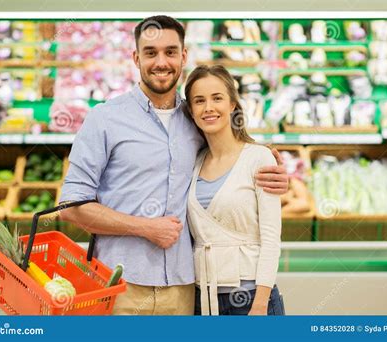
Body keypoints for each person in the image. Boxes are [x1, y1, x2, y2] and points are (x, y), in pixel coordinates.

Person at [59, 15, 288, 315]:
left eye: (170, 52)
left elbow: (229, 153)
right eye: (151, 53)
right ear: (136, 57)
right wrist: (144, 227)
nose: (161, 62)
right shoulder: (104, 119)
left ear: (183, 56)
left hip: (185, 290)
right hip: (121, 286)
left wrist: (267, 160)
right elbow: (71, 205)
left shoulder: (195, 118)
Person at [185, 65, 284, 316]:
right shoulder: (194, 164)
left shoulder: (259, 158)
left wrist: (261, 303)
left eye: (217, 98)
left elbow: (271, 238)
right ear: (191, 111)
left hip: (251, 298)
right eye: (199, 101)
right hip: (203, 299)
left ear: (232, 105)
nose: (208, 107)